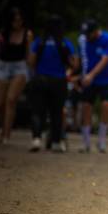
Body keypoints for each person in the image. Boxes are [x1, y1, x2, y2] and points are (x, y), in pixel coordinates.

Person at [27, 15, 77, 152]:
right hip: (58, 81)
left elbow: (31, 61)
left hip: (40, 79)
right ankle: (56, 141)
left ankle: (36, 139)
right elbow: (74, 63)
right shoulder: (65, 43)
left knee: (38, 110)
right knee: (57, 112)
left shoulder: (39, 42)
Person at [0, 7, 33, 144]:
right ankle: (4, 128)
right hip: (2, 66)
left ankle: (6, 134)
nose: (17, 22)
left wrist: (31, 70)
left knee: (11, 100)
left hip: (19, 67)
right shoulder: (2, 34)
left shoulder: (27, 34)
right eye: (15, 20)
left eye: (20, 20)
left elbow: (28, 55)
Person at [77, 20, 108, 153]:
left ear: (96, 31)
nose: (86, 36)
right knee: (86, 107)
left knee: (106, 105)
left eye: (89, 33)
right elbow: (80, 58)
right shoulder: (83, 40)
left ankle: (101, 140)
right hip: (88, 80)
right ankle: (86, 142)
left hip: (106, 79)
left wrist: (91, 75)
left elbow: (105, 59)